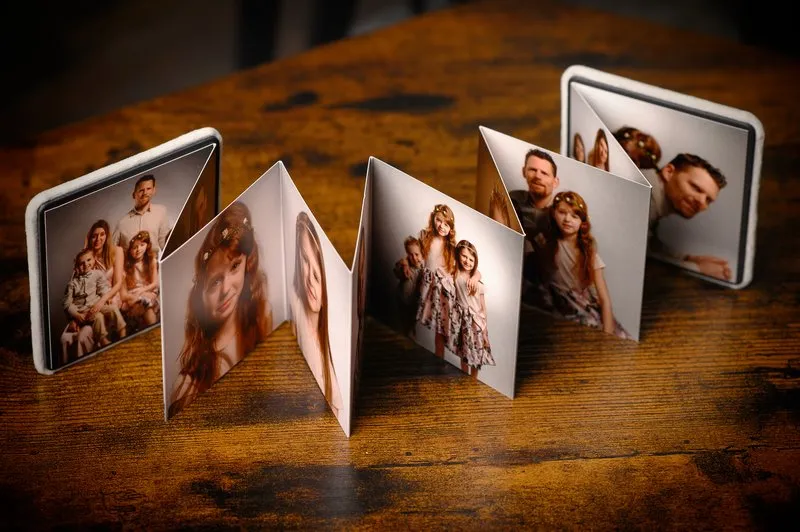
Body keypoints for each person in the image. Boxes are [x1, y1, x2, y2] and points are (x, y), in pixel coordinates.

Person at [169, 202, 273, 417]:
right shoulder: (188, 385)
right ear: (201, 297)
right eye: (215, 282)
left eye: (235, 266)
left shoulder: (262, 314)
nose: (226, 289)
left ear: (247, 263)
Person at [544, 191, 631, 339]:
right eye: (562, 212)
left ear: (582, 222)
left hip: (584, 307)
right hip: (560, 309)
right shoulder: (545, 245)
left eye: (574, 216)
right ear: (553, 213)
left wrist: (607, 334)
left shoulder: (588, 254)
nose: (567, 219)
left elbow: (604, 299)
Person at [290, 211, 344, 421]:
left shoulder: (330, 355)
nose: (311, 278)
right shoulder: (294, 307)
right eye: (304, 260)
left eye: (318, 269)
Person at [642, 153, 730, 281]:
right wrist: (697, 269)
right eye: (696, 188)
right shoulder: (643, 196)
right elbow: (641, 260)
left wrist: (687, 258)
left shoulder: (651, 194)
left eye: (708, 200)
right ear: (668, 172)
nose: (702, 203)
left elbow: (649, 244)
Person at [508, 149, 559, 304]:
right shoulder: (513, 199)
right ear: (524, 172)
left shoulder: (561, 214)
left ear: (555, 181)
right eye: (532, 170)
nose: (537, 176)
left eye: (544, 173)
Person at [62, 248, 127, 357]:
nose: (86, 264)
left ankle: (122, 331)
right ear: (76, 267)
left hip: (97, 304)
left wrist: (106, 297)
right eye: (81, 263)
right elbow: (67, 304)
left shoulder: (97, 274)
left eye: (88, 260)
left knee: (113, 309)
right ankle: (103, 340)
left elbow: (102, 287)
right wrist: (77, 315)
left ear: (94, 260)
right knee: (98, 317)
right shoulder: (73, 284)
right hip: (84, 311)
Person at [451, 240, 494, 380]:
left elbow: (483, 308)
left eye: (471, 259)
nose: (467, 261)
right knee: (464, 352)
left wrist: (485, 332)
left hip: (477, 323)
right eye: (464, 256)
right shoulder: (456, 274)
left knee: (476, 354)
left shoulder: (478, 283)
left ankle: (473, 378)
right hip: (463, 321)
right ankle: (464, 376)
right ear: (458, 255)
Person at [113, 174, 170, 256]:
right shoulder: (122, 223)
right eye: (141, 190)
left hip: (155, 265)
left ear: (154, 190)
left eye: (148, 189)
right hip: (130, 267)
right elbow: (112, 252)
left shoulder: (161, 211)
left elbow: (165, 245)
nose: (145, 193)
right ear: (134, 195)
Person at [120, 231, 160, 333]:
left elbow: (154, 283)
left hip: (148, 291)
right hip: (133, 295)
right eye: (134, 247)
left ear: (147, 246)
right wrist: (136, 295)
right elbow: (124, 294)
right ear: (129, 250)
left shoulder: (151, 261)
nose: (138, 250)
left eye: (142, 245)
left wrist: (142, 290)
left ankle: (153, 332)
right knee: (141, 304)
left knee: (147, 304)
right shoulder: (127, 266)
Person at [85, 220, 125, 312]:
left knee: (109, 307)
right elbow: (79, 281)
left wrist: (103, 300)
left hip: (112, 295)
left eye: (102, 234)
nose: (98, 239)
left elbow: (118, 283)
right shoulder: (88, 256)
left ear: (107, 236)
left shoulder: (117, 251)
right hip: (93, 296)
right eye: (94, 236)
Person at [394, 235, 424, 339]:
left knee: (411, 327)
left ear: (422, 253)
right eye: (410, 255)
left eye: (417, 254)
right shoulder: (405, 266)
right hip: (402, 301)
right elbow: (397, 271)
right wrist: (403, 263)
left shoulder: (423, 269)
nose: (414, 258)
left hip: (414, 304)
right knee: (402, 326)